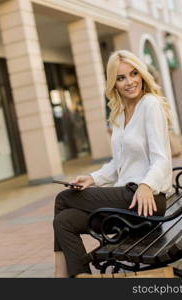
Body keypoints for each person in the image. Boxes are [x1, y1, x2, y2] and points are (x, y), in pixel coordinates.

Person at [52, 50, 173, 278]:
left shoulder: (150, 104)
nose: (130, 82)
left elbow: (161, 158)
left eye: (133, 73)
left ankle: (59, 275)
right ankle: (81, 277)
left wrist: (146, 185)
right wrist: (92, 178)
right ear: (113, 84)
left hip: (147, 199)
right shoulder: (118, 114)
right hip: (126, 202)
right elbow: (118, 163)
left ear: (142, 74)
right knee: (63, 221)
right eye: (121, 78)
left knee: (63, 198)